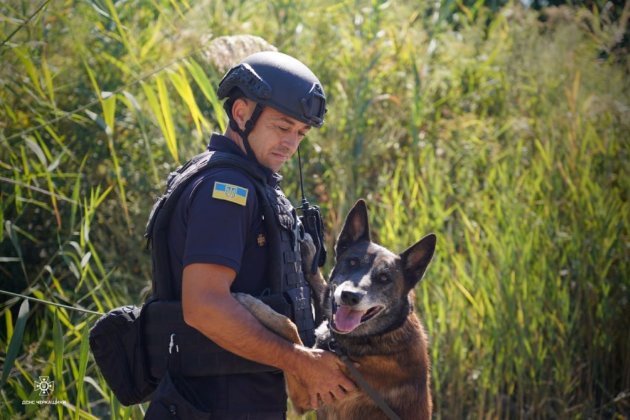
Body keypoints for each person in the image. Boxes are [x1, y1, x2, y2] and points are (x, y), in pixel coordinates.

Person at [144, 51, 355, 419]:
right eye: (282, 126)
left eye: (301, 133)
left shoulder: (251, 183)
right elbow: (204, 306)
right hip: (213, 404)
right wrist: (301, 362)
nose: (291, 144)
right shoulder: (225, 190)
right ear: (241, 113)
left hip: (236, 401)